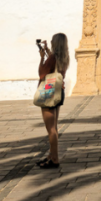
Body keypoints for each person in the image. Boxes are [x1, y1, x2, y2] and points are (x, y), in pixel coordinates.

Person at [36, 33, 69, 169]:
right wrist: (48, 52)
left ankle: (54, 158)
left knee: (51, 129)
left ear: (56, 43)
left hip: (48, 92)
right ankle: (51, 155)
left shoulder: (52, 58)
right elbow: (54, 66)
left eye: (52, 41)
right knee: (54, 126)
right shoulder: (64, 58)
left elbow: (42, 73)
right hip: (58, 91)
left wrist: (42, 57)